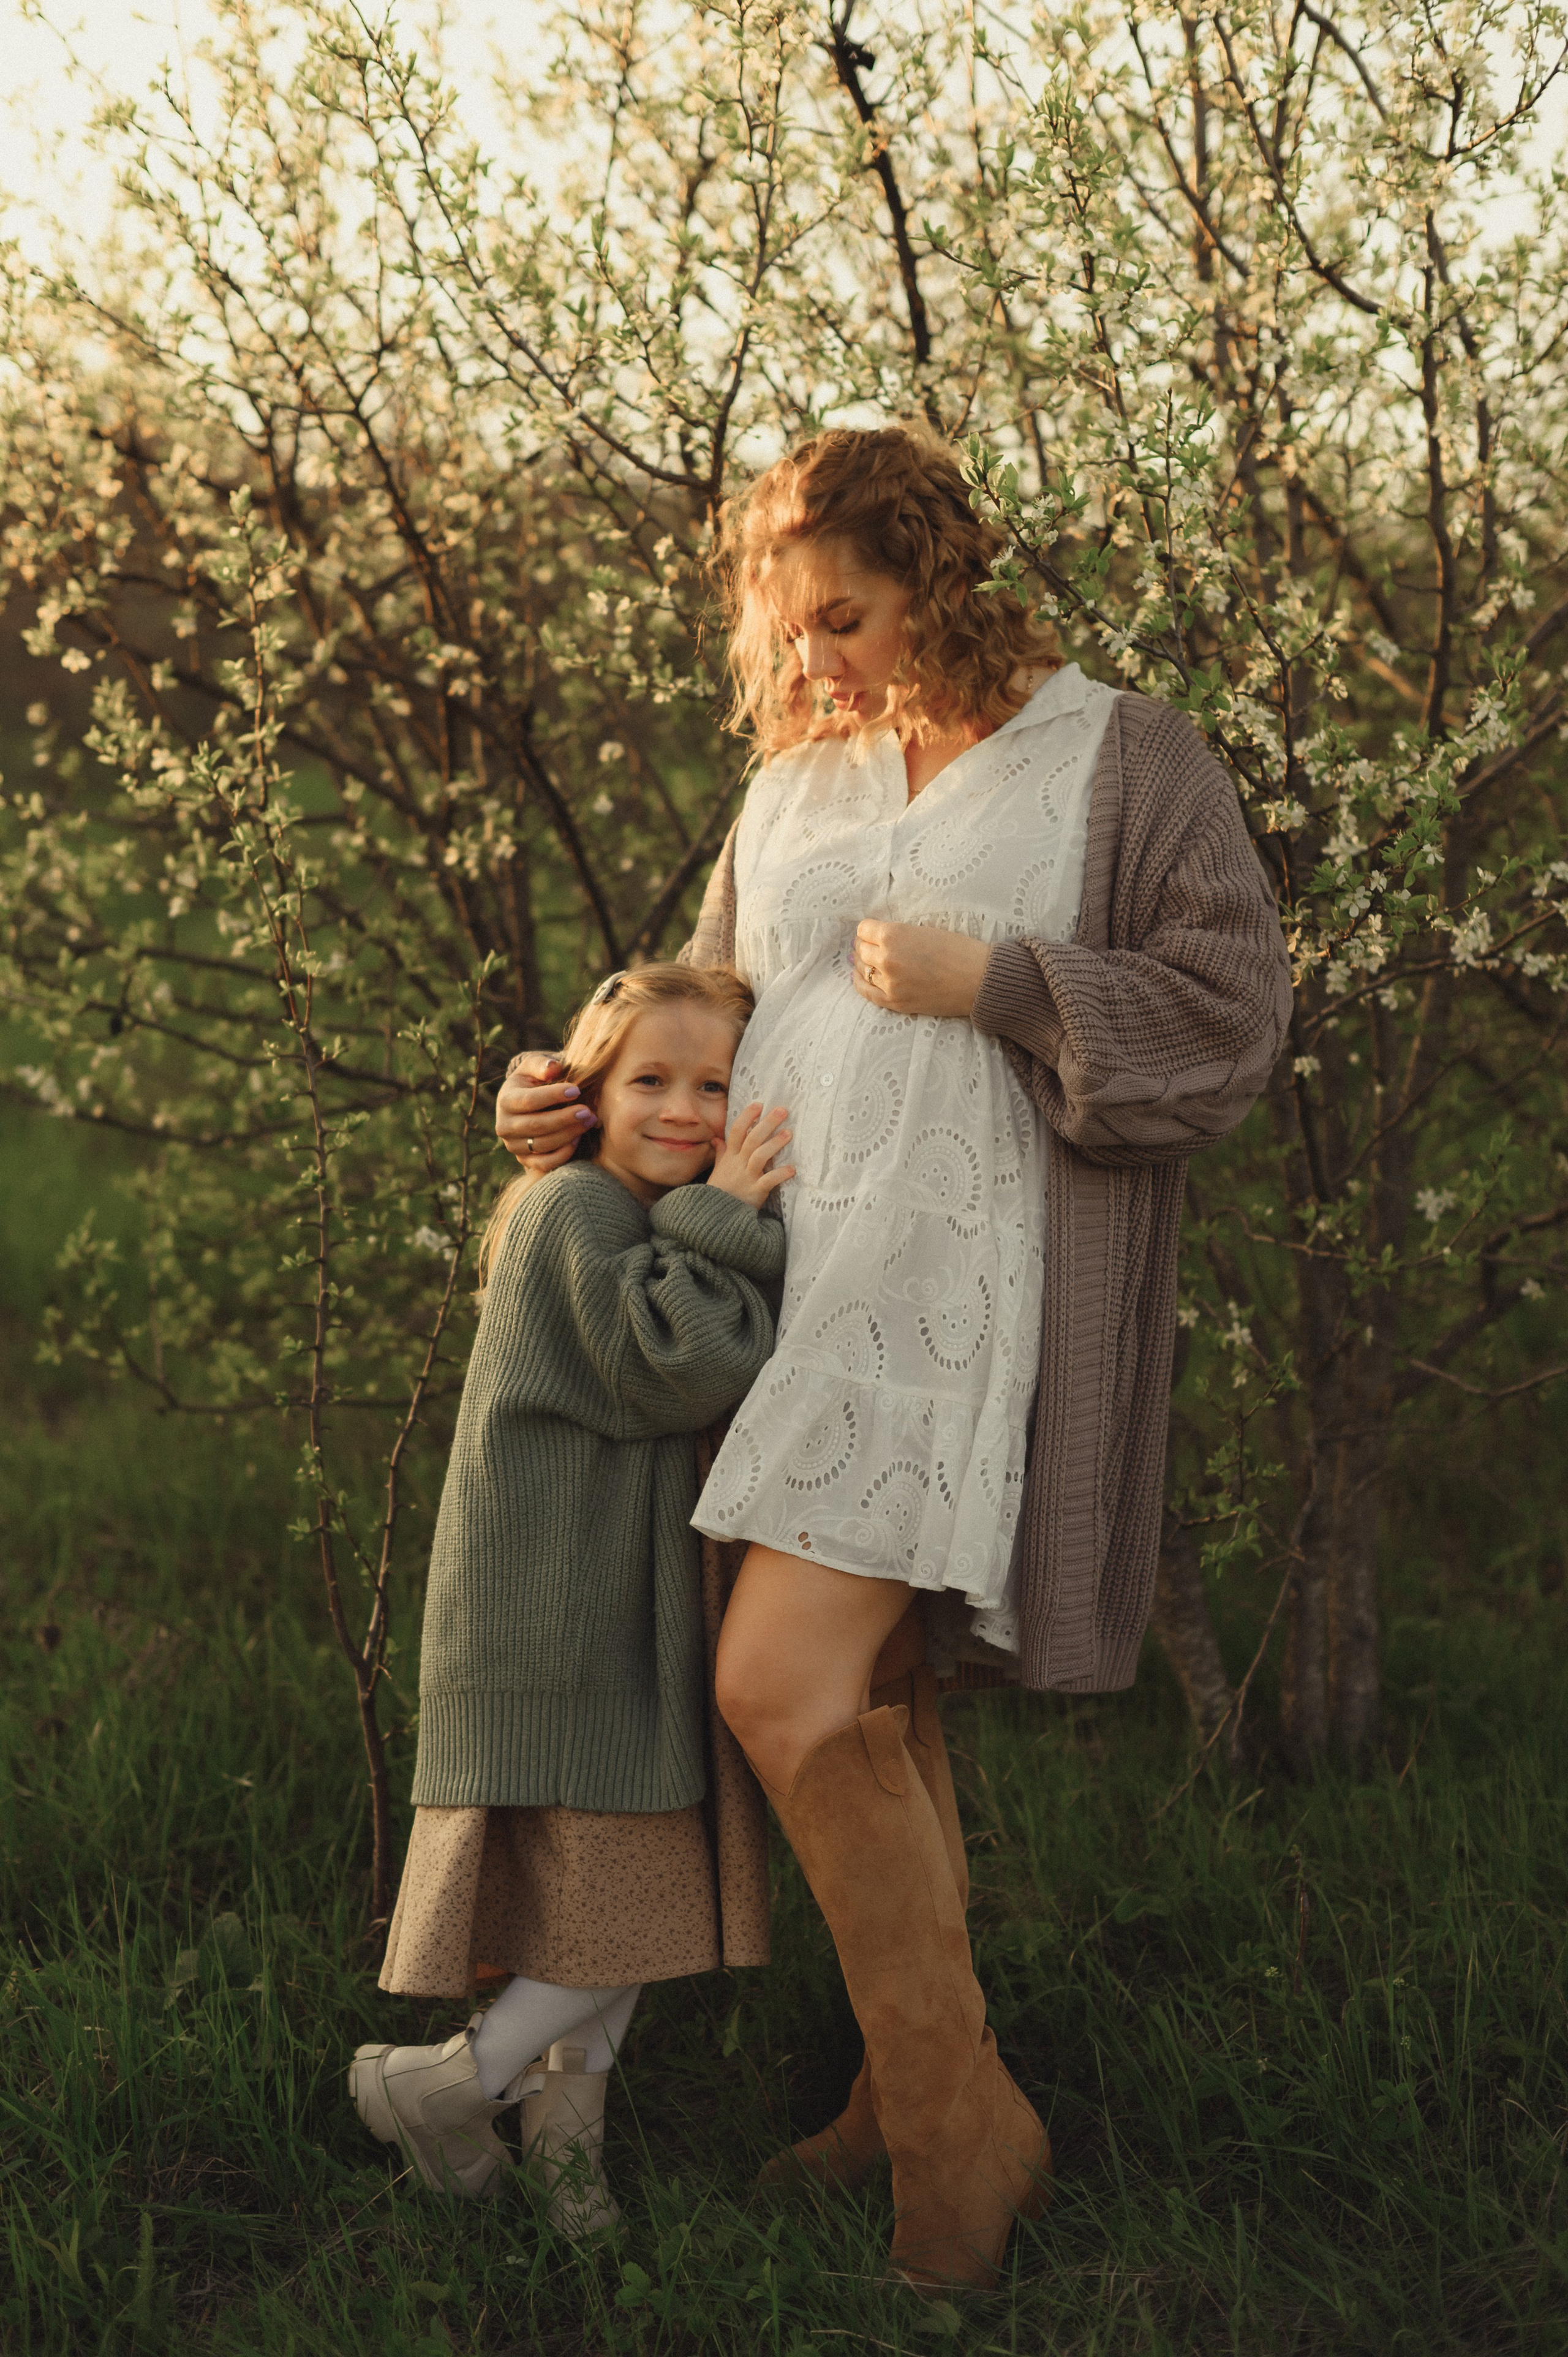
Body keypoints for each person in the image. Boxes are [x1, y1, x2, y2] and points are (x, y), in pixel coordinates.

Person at [497, 424, 1293, 2290]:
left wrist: (1000, 982)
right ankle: (909, 2098)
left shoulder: (1123, 757)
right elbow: (705, 1012)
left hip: (957, 1304)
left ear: (936, 577)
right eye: (787, 629)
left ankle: (956, 2132)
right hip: (788, 1293)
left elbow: (1231, 1012)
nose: (814, 660)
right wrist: (577, 1103)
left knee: (775, 1685)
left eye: (842, 619)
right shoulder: (795, 779)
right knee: (867, 1699)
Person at [351, 963, 792, 2233]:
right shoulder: (572, 1209)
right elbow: (678, 1363)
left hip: (610, 1606)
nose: (685, 1110)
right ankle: (445, 2084)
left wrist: (702, 1220)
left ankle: (564, 2160)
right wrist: (726, 1214)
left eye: (714, 1086)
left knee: (607, 1902)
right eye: (650, 1079)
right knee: (622, 1912)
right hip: (559, 1618)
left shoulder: (626, 1210)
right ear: (588, 1093)